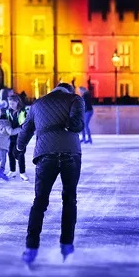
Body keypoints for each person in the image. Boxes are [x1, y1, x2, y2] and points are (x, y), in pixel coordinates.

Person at [16, 82, 85, 266]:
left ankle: (31, 248)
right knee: (69, 200)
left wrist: (20, 147)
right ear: (68, 91)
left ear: (53, 89)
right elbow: (76, 124)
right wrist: (69, 126)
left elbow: (26, 130)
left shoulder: (38, 104)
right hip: (71, 153)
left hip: (45, 154)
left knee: (40, 202)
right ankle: (66, 245)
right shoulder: (75, 99)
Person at [0, 106, 20, 182]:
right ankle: (1, 173)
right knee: (3, 159)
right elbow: (11, 132)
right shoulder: (6, 123)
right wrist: (20, 128)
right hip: (2, 145)